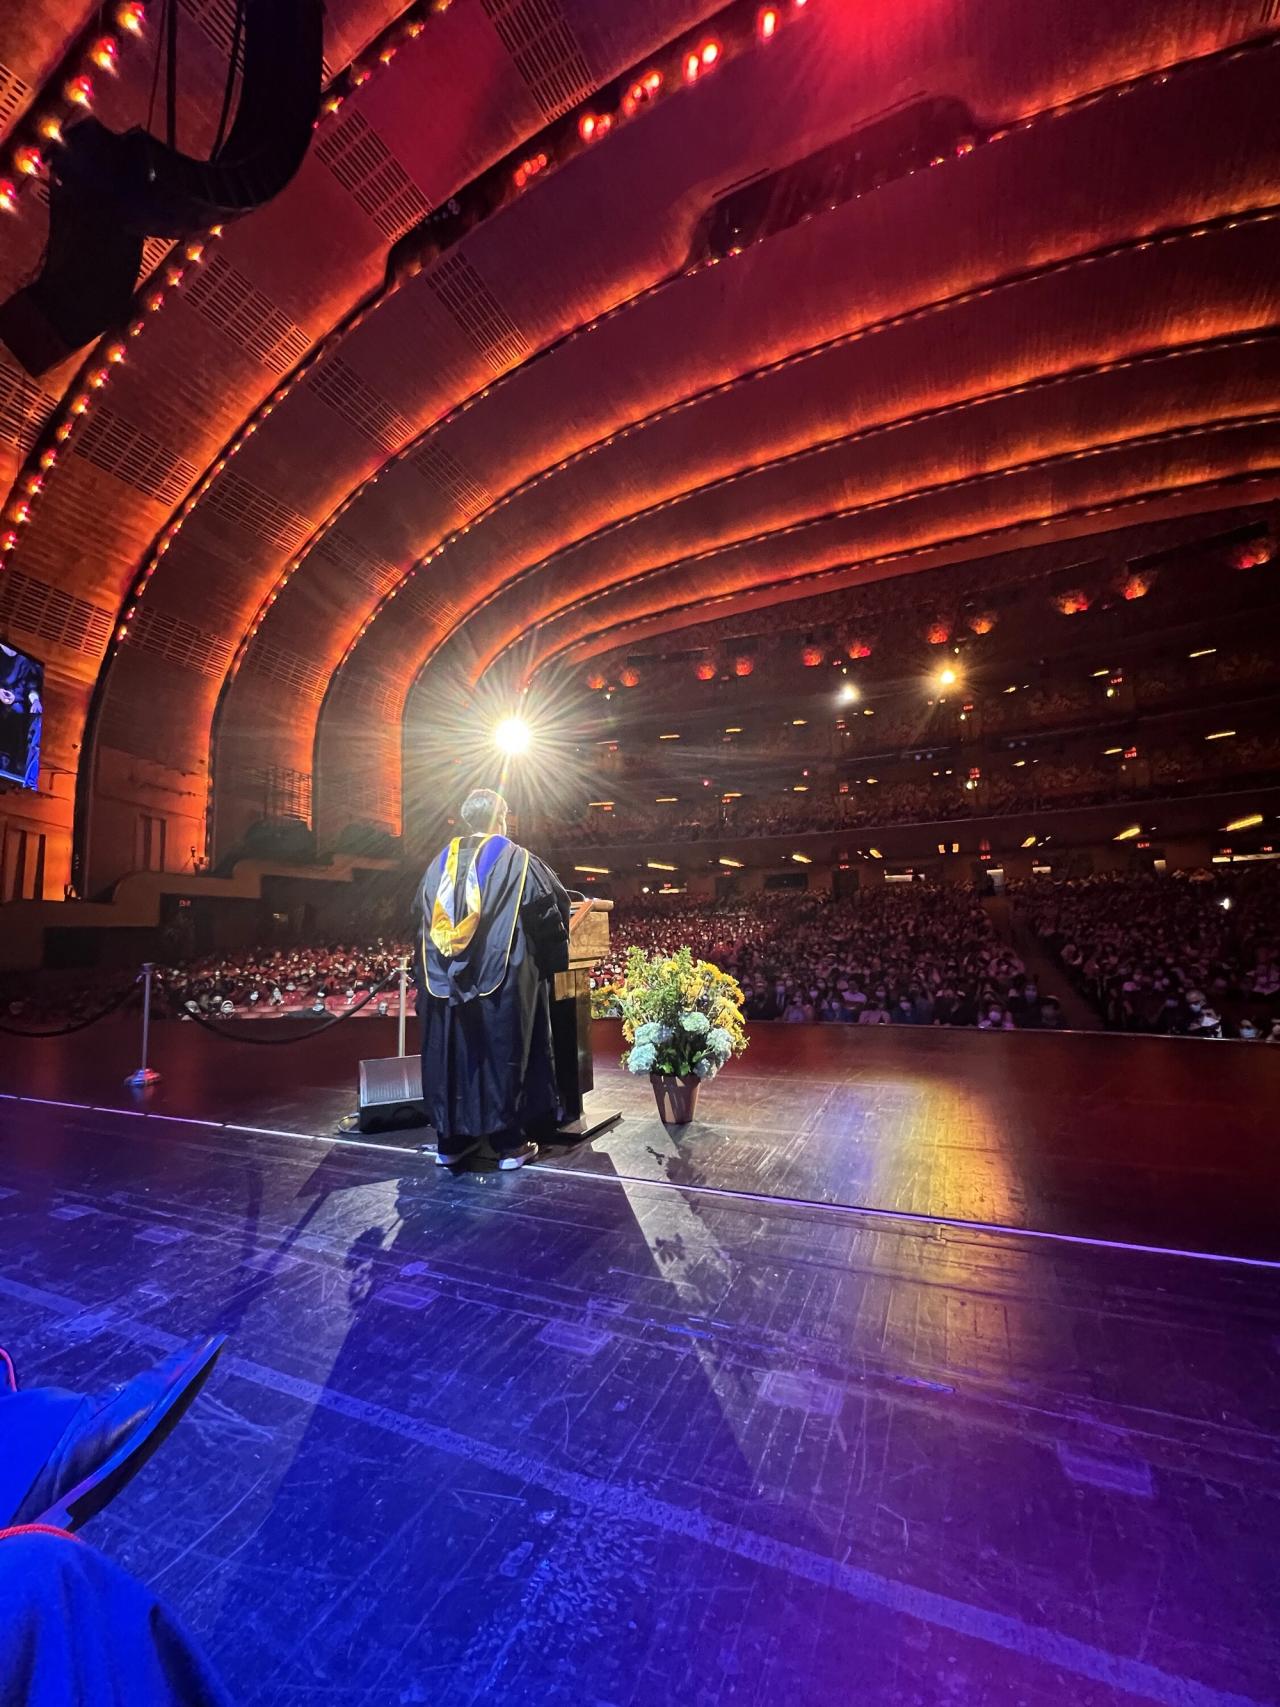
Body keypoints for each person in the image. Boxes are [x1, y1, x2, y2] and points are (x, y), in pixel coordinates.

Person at [417, 788, 570, 1169]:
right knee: (503, 1054)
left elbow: (418, 919)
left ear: (467, 820)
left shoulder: (436, 866)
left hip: (442, 984)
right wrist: (553, 964)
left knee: (450, 1054)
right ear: (500, 819)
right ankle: (509, 1144)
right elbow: (549, 913)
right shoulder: (518, 861)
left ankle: (450, 1143)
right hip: (501, 980)